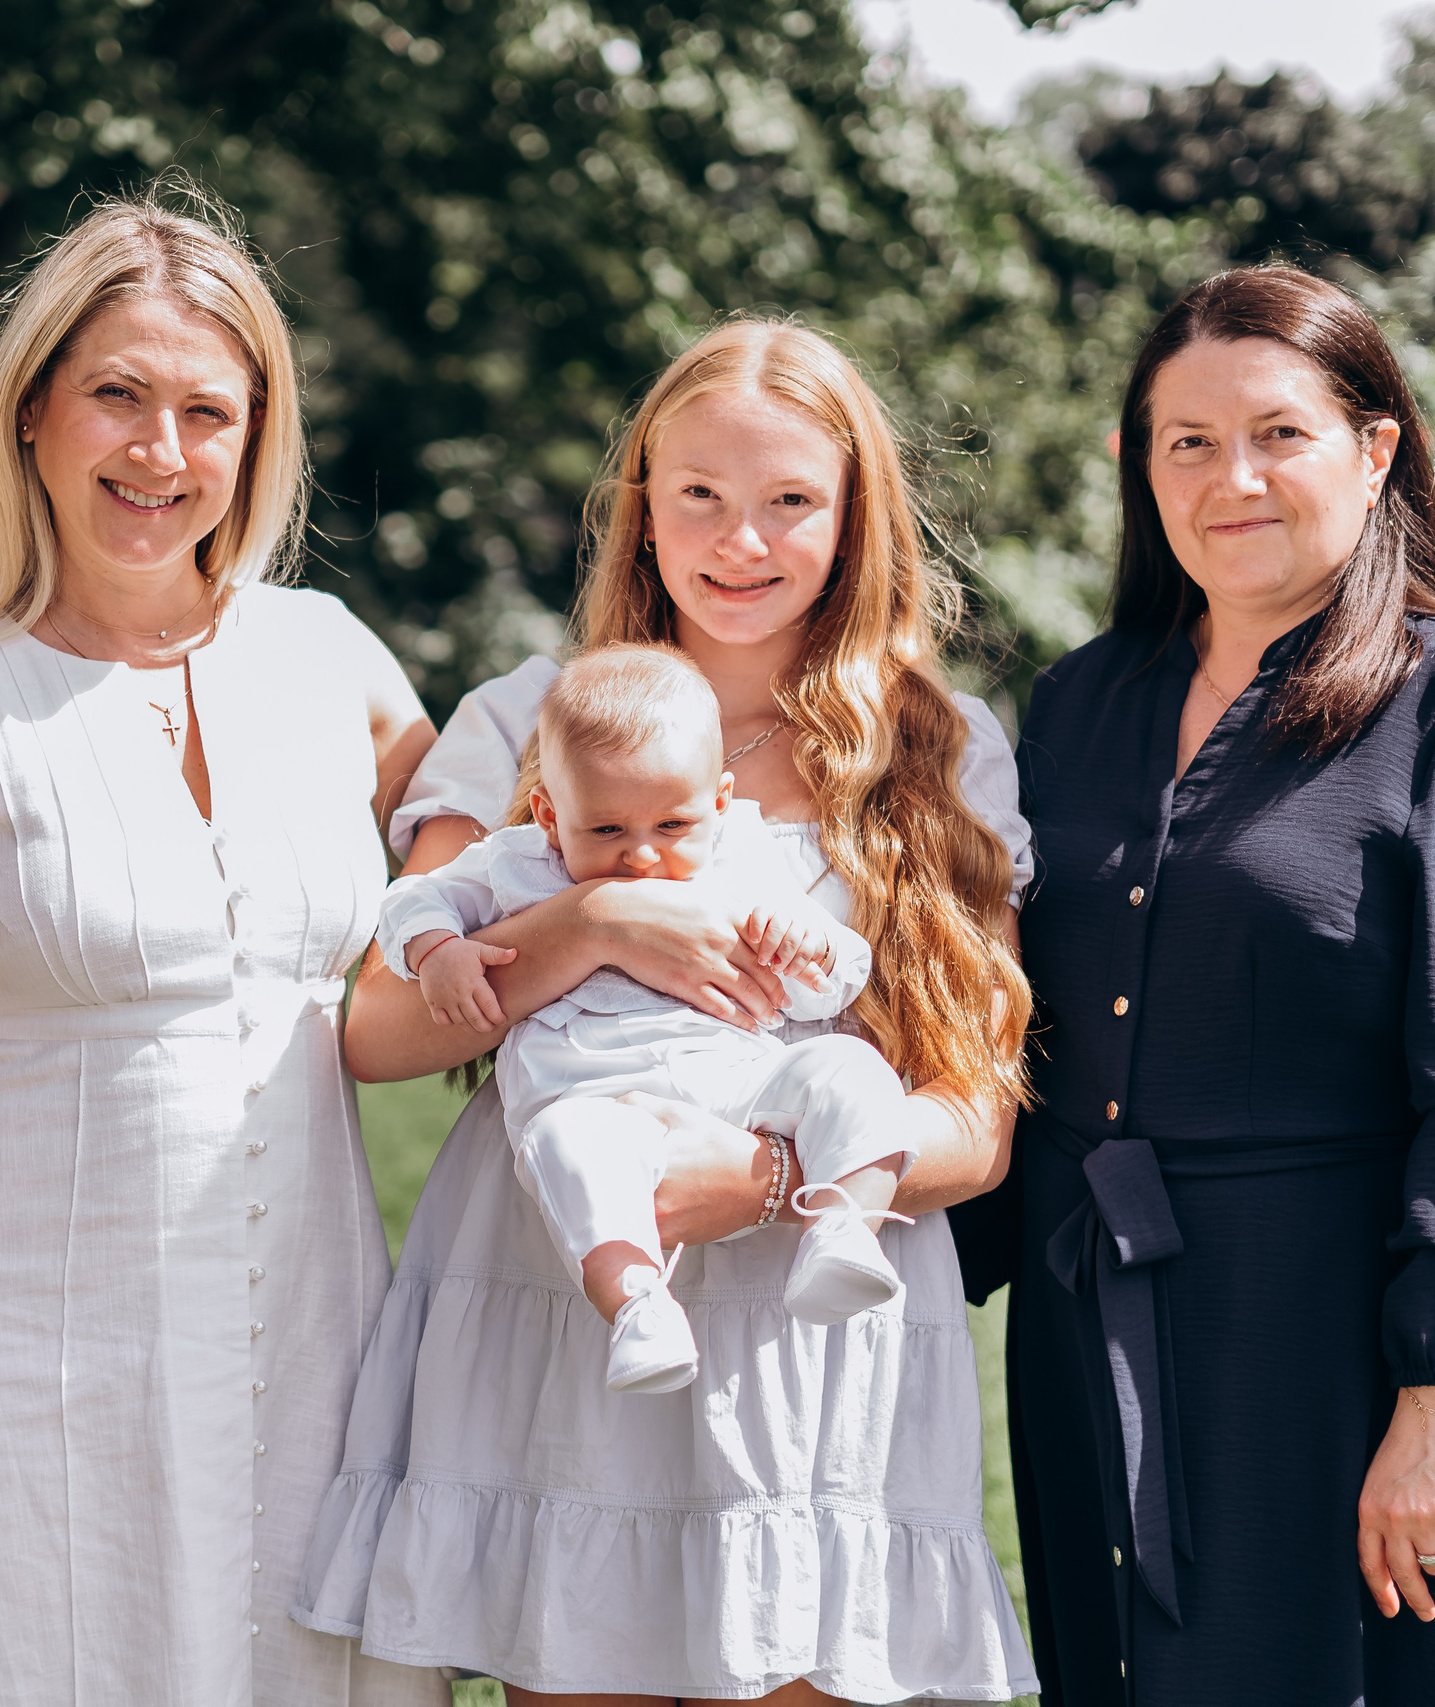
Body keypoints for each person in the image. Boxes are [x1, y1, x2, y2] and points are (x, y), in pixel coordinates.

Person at [298, 319, 1040, 1706]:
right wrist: (596, 918)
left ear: (855, 514)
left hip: (824, 1307)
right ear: (641, 506)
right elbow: (382, 1029)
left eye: (789, 501)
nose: (737, 539)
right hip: (571, 1286)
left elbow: (974, 1123)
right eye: (697, 493)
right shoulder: (531, 716)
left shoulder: (936, 746)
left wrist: (763, 1178)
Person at [0, 189, 446, 1706]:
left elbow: (491, 838)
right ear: (31, 415)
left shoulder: (329, 657)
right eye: (119, 396)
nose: (161, 451)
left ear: (256, 436)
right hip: (37, 1338)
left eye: (207, 409)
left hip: (316, 1325)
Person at [993, 263, 1435, 1704]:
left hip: (1338, 1337)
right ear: (1140, 466)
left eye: (1280, 432)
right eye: (1187, 442)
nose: (1233, 479)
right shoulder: (1082, 701)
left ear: (1374, 445)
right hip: (1093, 1322)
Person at [379, 642, 913, 1396]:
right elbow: (412, 899)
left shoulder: (744, 863)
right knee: (570, 1151)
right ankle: (635, 1302)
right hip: (589, 1088)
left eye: (672, 825)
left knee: (853, 1072)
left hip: (735, 1081)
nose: (642, 857)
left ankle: (844, 1230)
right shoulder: (518, 861)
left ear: (719, 804)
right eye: (605, 831)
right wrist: (439, 950)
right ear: (548, 813)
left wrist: (809, 944)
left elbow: (828, 990)